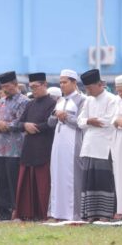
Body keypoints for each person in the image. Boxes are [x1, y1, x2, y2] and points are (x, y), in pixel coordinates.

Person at [14, 72, 56, 221]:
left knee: (43, 184)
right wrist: (26, 125)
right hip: (29, 146)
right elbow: (18, 123)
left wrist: (35, 127)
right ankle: (27, 213)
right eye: (31, 87)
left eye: (36, 87)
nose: (33, 90)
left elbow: (51, 124)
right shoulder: (30, 103)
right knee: (26, 183)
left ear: (45, 85)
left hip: (44, 146)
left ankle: (43, 213)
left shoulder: (53, 103)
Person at [78, 69, 117, 222]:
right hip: (88, 145)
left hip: (104, 147)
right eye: (86, 88)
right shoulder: (88, 100)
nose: (88, 91)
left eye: (90, 88)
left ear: (100, 84)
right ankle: (90, 214)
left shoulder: (112, 99)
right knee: (89, 181)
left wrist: (92, 121)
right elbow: (80, 121)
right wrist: (89, 121)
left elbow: (109, 121)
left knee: (103, 180)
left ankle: (105, 215)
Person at [0, 71, 29, 220]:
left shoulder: (24, 101)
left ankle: (16, 211)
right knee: (1, 182)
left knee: (14, 182)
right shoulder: (1, 102)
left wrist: (4, 125)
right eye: (3, 87)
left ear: (15, 84)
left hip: (15, 149)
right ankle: (3, 213)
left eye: (8, 86)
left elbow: (20, 122)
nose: (5, 89)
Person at [48, 69, 86, 221]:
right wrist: (55, 116)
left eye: (65, 82)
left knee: (72, 176)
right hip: (58, 143)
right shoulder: (60, 100)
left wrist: (66, 117)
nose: (62, 85)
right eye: (60, 82)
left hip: (73, 142)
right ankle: (57, 212)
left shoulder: (82, 100)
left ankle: (74, 213)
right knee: (57, 175)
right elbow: (50, 122)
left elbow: (81, 123)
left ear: (74, 82)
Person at [112, 75, 122, 220]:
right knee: (119, 175)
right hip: (118, 139)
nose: (120, 94)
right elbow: (112, 119)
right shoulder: (117, 101)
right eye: (119, 91)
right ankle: (120, 209)